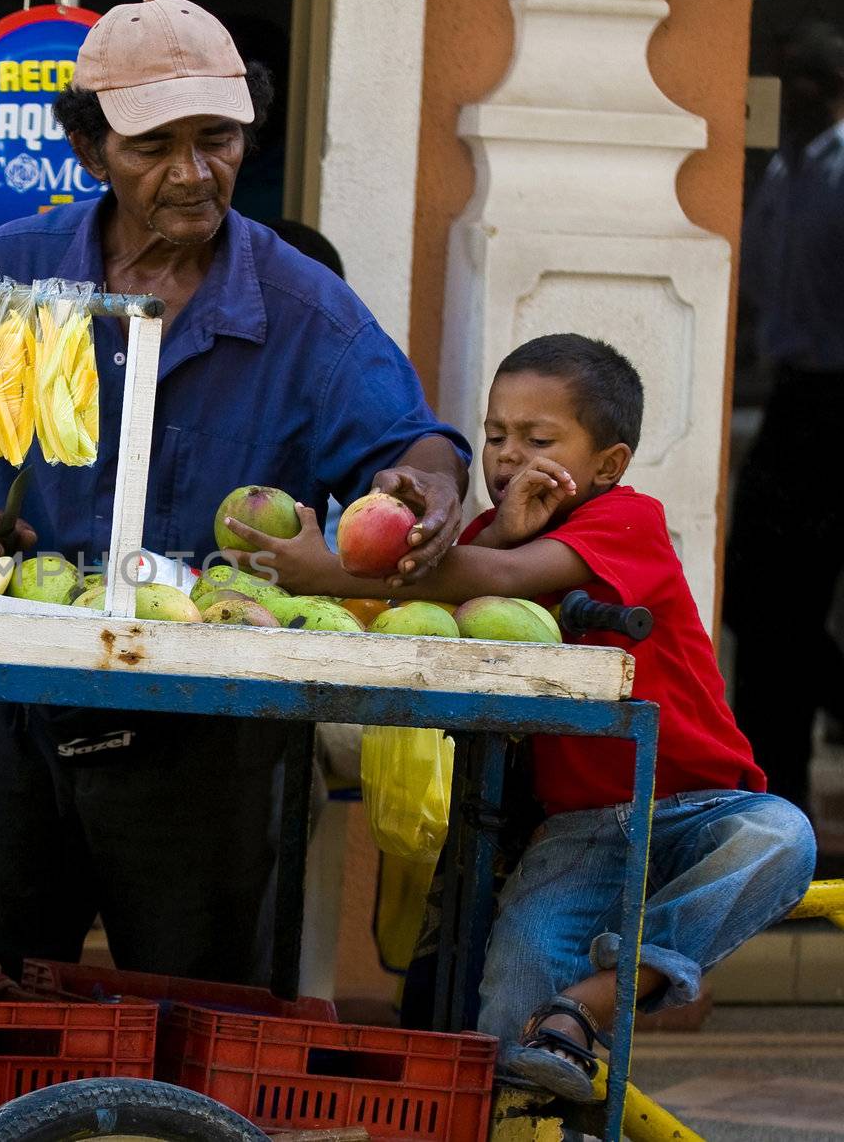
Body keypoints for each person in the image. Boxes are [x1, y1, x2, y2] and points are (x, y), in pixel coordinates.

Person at [0, 0, 470, 985]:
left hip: (208, 735)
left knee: (196, 1003)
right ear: (89, 148)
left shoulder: (300, 309)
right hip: (11, 704)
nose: (194, 172)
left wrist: (425, 489)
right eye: (155, 145)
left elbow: (412, 444)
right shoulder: (10, 271)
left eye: (218, 139)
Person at [221, 334, 816, 1097]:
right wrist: (493, 530)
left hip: (699, 810)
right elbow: (461, 578)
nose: (507, 456)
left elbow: (498, 578)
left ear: (608, 464)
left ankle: (590, 1004)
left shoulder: (627, 520)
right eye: (496, 435)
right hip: (576, 830)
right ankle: (543, 1058)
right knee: (506, 1016)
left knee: (781, 837)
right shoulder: (486, 539)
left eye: (539, 439)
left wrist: (327, 567)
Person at [724, 21, 844, 821]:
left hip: (839, 400)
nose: (796, 93)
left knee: (788, 609)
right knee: (758, 603)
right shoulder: (784, 173)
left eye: (812, 79)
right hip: (796, 398)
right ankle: (778, 804)